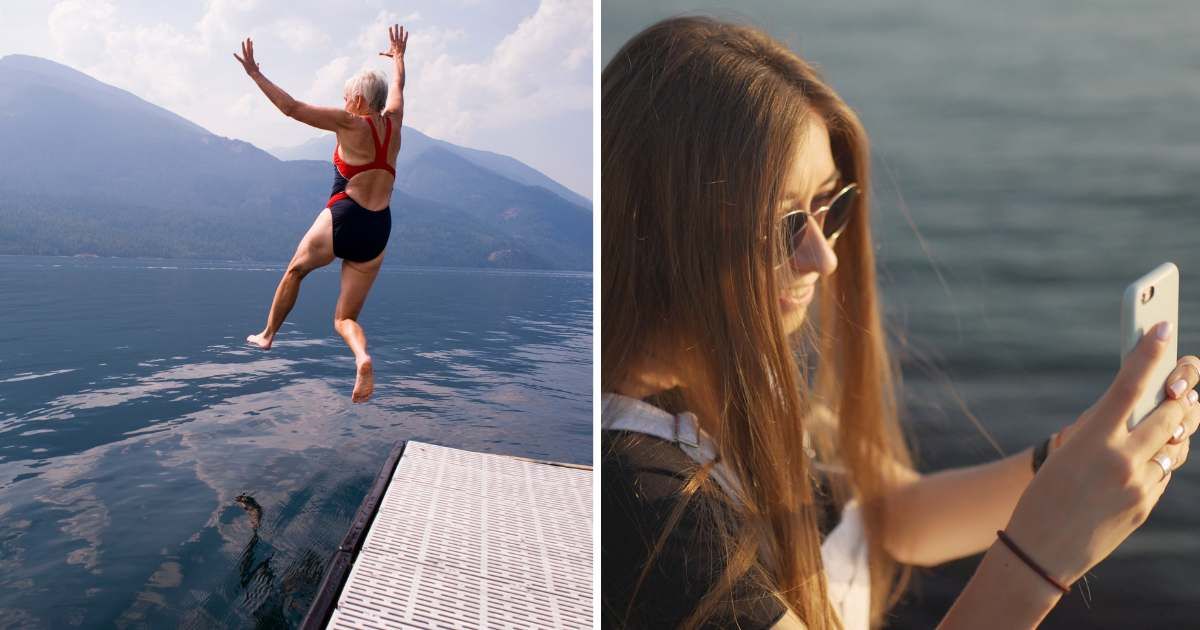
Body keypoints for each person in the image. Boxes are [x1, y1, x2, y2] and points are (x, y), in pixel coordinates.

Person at [601, 16, 1200, 630]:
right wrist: (1040, 560)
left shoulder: (741, 375)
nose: (825, 256)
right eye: (782, 226)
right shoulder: (642, 497)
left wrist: (1062, 461)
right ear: (662, 235)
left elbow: (898, 514)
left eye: (832, 207)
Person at [233, 25, 409, 403]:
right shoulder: (395, 120)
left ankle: (267, 335)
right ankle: (362, 357)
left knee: (296, 270)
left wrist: (255, 74)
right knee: (344, 318)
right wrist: (398, 59)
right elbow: (399, 88)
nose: (344, 102)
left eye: (347, 97)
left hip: (345, 215)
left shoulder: (349, 122)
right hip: (379, 230)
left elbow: (291, 108)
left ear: (360, 100)